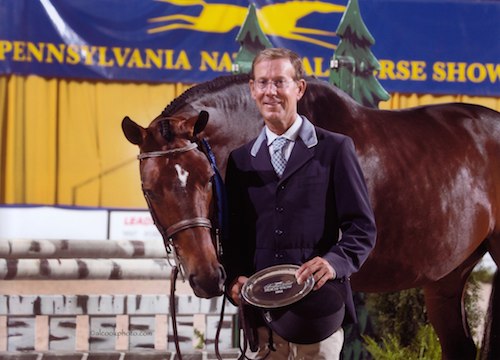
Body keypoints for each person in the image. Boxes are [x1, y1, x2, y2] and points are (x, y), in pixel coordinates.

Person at [222, 47, 376, 359]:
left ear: (299, 88)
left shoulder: (335, 149)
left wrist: (333, 263)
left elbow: (362, 228)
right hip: (261, 320)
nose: (271, 92)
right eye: (263, 83)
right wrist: (233, 279)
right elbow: (234, 238)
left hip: (317, 315)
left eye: (280, 82)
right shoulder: (239, 162)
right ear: (252, 89)